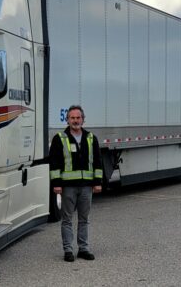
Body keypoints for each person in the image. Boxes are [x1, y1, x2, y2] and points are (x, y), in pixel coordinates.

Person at [49, 104, 104, 262]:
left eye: (78, 117)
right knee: (66, 219)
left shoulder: (91, 138)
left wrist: (97, 182)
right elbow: (55, 163)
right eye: (72, 118)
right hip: (68, 187)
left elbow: (98, 162)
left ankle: (83, 249)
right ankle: (68, 250)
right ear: (67, 120)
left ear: (83, 119)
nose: (75, 120)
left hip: (86, 186)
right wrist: (56, 184)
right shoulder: (60, 138)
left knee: (84, 219)